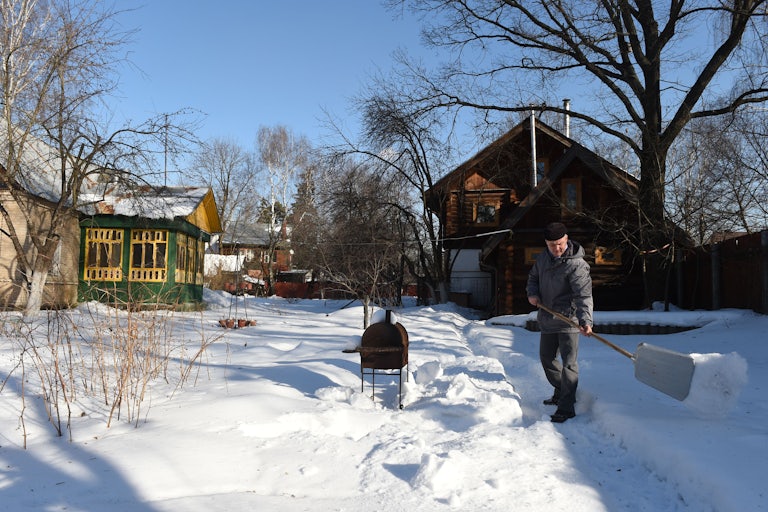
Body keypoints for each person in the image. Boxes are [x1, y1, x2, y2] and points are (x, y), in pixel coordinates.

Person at [526, 222, 593, 423]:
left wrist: (585, 320)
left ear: (567, 239)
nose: (557, 249)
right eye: (552, 245)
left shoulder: (576, 264)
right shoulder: (543, 260)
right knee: (547, 359)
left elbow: (583, 295)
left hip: (569, 321)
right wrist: (533, 293)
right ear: (546, 244)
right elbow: (533, 278)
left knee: (569, 364)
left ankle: (566, 406)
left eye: (561, 244)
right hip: (547, 319)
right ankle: (562, 391)